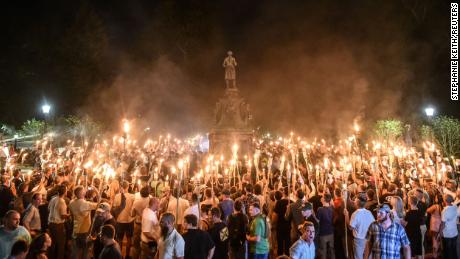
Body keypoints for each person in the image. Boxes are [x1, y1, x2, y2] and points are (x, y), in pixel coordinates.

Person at [68, 186, 98, 259]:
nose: (85, 191)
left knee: (75, 251)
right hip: (85, 230)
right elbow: (98, 205)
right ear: (82, 193)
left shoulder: (71, 202)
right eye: (84, 190)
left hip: (75, 228)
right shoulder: (84, 203)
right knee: (86, 250)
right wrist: (97, 192)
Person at [344, 193, 374, 259]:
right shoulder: (369, 212)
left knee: (358, 257)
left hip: (359, 240)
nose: (354, 202)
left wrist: (346, 216)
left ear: (357, 203)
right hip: (367, 239)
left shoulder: (355, 214)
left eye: (355, 201)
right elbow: (373, 224)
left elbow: (350, 227)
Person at [113, 181, 135, 259]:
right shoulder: (132, 196)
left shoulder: (116, 196)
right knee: (129, 238)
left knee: (119, 239)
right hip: (129, 220)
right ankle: (127, 256)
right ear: (128, 187)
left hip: (119, 220)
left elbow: (115, 207)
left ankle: (119, 255)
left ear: (120, 187)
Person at [47, 184, 68, 259]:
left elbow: (49, 209)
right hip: (58, 225)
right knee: (61, 245)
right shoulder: (62, 201)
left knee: (52, 243)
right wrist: (69, 215)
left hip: (50, 223)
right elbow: (63, 215)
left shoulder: (53, 199)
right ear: (65, 192)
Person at [131, 186, 151, 259]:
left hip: (138, 225)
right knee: (145, 244)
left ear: (140, 193)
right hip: (148, 226)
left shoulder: (136, 202)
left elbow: (132, 214)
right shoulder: (151, 201)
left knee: (136, 245)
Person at [272, 188, 291, 256]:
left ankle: (280, 256)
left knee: (280, 244)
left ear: (283, 193)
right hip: (288, 226)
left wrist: (273, 223)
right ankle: (287, 256)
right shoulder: (291, 201)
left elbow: (275, 216)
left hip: (280, 226)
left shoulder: (279, 202)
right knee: (287, 244)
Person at [316, 193, 334, 259]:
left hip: (323, 233)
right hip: (331, 232)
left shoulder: (320, 209)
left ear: (324, 199)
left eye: (322, 197)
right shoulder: (332, 208)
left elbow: (317, 221)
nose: (321, 198)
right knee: (331, 250)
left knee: (323, 251)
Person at [440, 194, 458, 259]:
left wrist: (440, 232)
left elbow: (443, 224)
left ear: (445, 201)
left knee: (448, 252)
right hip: (455, 232)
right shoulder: (455, 207)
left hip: (447, 234)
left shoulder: (444, 211)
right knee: (454, 250)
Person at [426, 194, 442, 258]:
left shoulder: (435, 206)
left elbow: (427, 210)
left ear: (437, 199)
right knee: (438, 239)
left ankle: (435, 254)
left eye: (435, 197)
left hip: (434, 225)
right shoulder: (443, 205)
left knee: (434, 239)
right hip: (440, 224)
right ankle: (438, 253)